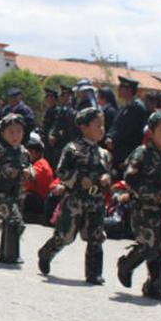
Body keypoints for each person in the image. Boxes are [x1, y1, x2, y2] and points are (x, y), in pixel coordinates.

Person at [37, 106, 112, 284]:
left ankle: (94, 273)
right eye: (97, 125)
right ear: (84, 127)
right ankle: (46, 252)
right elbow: (62, 172)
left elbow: (108, 173)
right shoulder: (72, 149)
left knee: (95, 236)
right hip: (75, 200)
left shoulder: (104, 154)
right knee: (65, 236)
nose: (101, 129)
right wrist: (78, 179)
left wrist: (106, 178)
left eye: (103, 125)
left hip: (96, 201)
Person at [116, 111, 161, 300]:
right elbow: (130, 177)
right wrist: (150, 193)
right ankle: (127, 264)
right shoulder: (142, 153)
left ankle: (154, 285)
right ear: (152, 132)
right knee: (148, 243)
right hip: (144, 208)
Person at [0, 114, 34, 263]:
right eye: (11, 132)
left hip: (18, 192)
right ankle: (12, 255)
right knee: (16, 220)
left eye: (19, 131)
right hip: (3, 192)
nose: (15, 135)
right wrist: (5, 171)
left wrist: (28, 172)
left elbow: (30, 167)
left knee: (8, 222)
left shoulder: (24, 152)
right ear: (3, 133)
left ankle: (3, 252)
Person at [108, 75, 150, 176]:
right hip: (117, 151)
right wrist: (110, 137)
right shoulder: (124, 106)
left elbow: (130, 131)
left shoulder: (137, 107)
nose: (118, 89)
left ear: (129, 90)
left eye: (121, 87)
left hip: (128, 153)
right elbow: (115, 125)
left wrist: (115, 139)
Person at [23, 133, 55, 224]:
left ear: (37, 153)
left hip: (40, 200)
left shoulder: (41, 164)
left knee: (24, 196)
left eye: (30, 152)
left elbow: (29, 177)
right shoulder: (39, 163)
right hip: (38, 198)